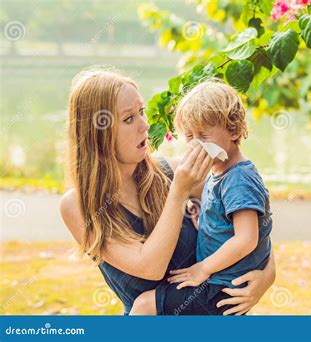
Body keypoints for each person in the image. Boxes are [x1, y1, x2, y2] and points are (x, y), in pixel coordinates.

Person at [59, 68, 276, 315]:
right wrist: (178, 192)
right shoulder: (79, 206)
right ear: (98, 134)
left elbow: (248, 220)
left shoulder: (171, 172)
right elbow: (150, 267)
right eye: (129, 119)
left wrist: (268, 274)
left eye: (141, 111)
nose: (145, 125)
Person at [130, 80, 272, 315]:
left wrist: (203, 269)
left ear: (234, 130)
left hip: (222, 287)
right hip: (218, 281)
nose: (196, 145)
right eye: (190, 137)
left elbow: (247, 238)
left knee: (144, 305)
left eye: (204, 136)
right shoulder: (218, 172)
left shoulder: (239, 179)